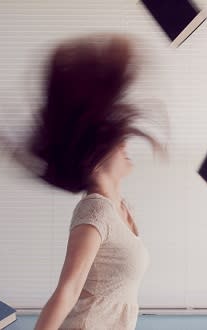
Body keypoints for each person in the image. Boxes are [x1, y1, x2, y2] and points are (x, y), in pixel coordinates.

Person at [24, 34, 164, 330]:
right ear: (97, 155)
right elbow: (68, 290)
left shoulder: (122, 209)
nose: (125, 144)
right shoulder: (95, 212)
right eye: (117, 142)